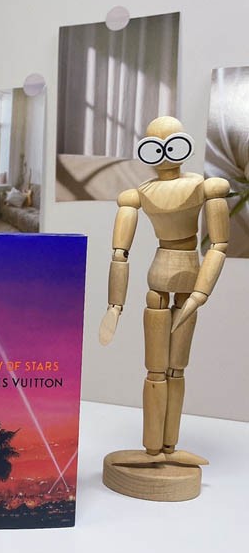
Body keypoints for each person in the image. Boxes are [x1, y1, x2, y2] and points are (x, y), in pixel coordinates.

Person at [100, 116, 230, 463]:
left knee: (175, 369)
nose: (163, 154)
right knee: (158, 370)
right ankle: (153, 449)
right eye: (154, 147)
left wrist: (201, 292)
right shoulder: (139, 194)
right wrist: (114, 305)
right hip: (162, 281)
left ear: (182, 146)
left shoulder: (203, 187)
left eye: (170, 145)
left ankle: (167, 448)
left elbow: (219, 245)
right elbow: (119, 253)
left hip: (186, 282)